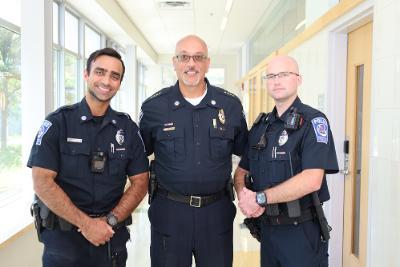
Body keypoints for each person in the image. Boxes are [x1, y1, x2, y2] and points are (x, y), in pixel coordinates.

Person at [27, 47, 149, 267]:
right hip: (64, 245)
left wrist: (110, 220)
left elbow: (141, 181)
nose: (107, 81)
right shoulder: (58, 123)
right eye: (100, 72)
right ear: (86, 74)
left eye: (115, 76)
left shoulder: (127, 129)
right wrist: (87, 224)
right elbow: (41, 181)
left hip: (110, 239)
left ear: (120, 83)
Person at [139, 35, 248, 267]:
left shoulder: (230, 105)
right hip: (169, 214)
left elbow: (246, 155)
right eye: (184, 57)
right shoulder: (154, 108)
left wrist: (248, 195)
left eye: (198, 57)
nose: (191, 64)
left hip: (216, 214)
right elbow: (138, 159)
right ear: (175, 62)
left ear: (207, 63)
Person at [234, 55, 339, 267]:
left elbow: (312, 180)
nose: (277, 81)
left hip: (301, 233)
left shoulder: (313, 122)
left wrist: (261, 198)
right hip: (268, 232)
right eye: (271, 76)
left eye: (284, 74)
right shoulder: (260, 127)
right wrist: (244, 196)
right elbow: (241, 172)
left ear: (298, 79)